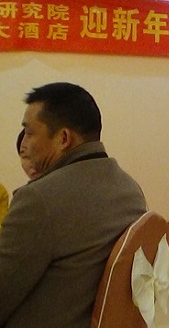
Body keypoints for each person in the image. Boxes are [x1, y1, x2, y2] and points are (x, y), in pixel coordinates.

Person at [0, 82, 148, 327]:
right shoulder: (130, 190)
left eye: (29, 132)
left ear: (63, 138)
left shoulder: (38, 200)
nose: (23, 143)